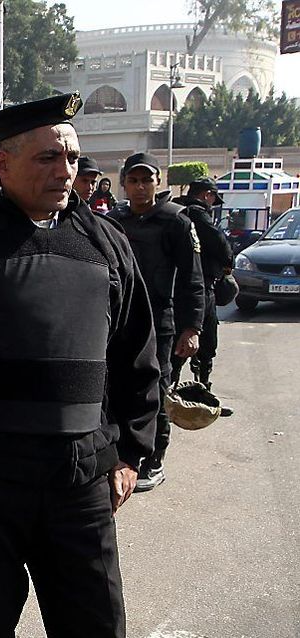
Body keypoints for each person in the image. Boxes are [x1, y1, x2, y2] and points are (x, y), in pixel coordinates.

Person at [0, 93, 160, 638]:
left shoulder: (106, 244)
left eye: (72, 159)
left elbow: (137, 356)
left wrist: (132, 451)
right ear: (4, 163)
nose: (65, 172)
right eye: (47, 158)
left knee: (97, 625)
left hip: (81, 481)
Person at [111, 152, 205, 493]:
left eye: (146, 180)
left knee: (156, 391)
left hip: (159, 324)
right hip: (118, 321)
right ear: (124, 183)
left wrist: (191, 328)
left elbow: (192, 280)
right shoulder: (113, 220)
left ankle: (153, 461)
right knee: (116, 388)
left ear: (157, 182)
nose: (139, 187)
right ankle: (120, 456)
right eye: (133, 180)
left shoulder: (176, 221)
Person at [171, 177, 234, 391]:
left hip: (178, 287)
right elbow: (221, 245)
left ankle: (180, 392)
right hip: (201, 287)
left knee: (181, 347)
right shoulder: (197, 213)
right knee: (202, 343)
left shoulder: (175, 210)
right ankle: (199, 391)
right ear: (207, 194)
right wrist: (227, 265)